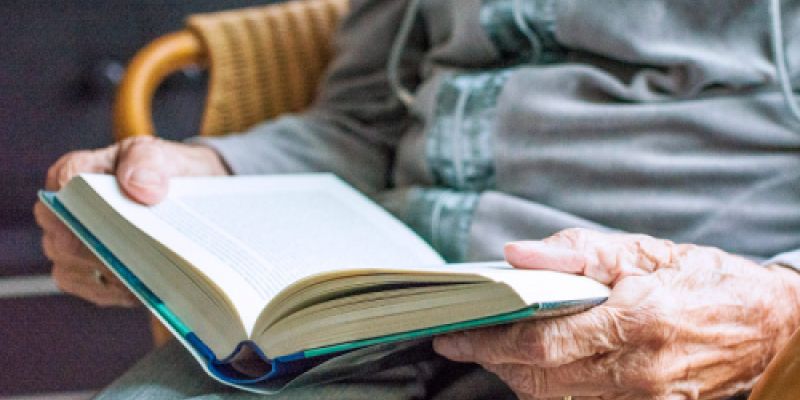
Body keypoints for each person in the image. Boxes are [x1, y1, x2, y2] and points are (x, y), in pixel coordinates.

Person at [33, 0, 800, 398]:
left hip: (657, 346)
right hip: (380, 314)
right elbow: (366, 119)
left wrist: (778, 314)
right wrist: (203, 170)